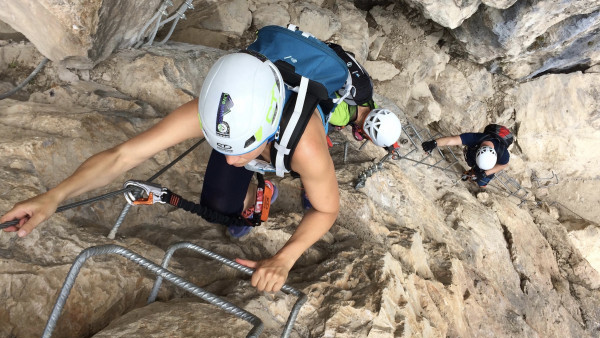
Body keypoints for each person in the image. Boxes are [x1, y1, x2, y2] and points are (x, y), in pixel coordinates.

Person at [0, 51, 340, 293]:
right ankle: (258, 192)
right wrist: (54, 197)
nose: (233, 161)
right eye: (223, 147)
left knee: (271, 184)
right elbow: (122, 156)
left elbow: (326, 208)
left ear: (267, 134)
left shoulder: (304, 146)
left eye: (242, 151)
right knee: (220, 206)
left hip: (290, 138)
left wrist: (284, 258)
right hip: (256, 103)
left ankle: (267, 182)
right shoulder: (214, 110)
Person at [421, 124, 513, 187]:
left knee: (482, 182)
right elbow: (451, 140)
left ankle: (481, 182)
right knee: (471, 162)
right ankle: (473, 170)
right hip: (474, 152)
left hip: (487, 164)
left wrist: (485, 173)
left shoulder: (503, 153)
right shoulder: (474, 138)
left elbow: (504, 164)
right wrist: (434, 143)